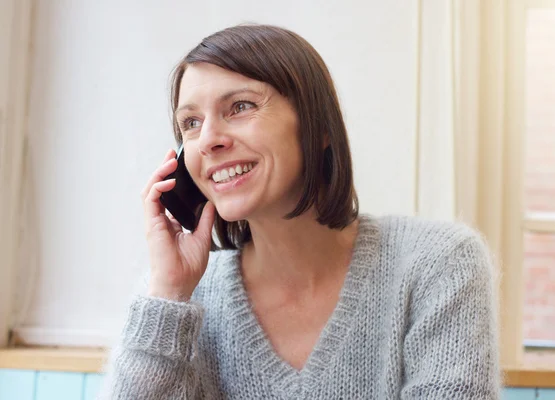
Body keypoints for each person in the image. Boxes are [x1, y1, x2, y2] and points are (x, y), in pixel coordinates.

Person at [99, 24, 501, 399]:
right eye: (190, 122)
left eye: (240, 106)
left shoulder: (439, 264)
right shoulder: (177, 299)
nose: (208, 141)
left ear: (318, 127)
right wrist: (169, 294)